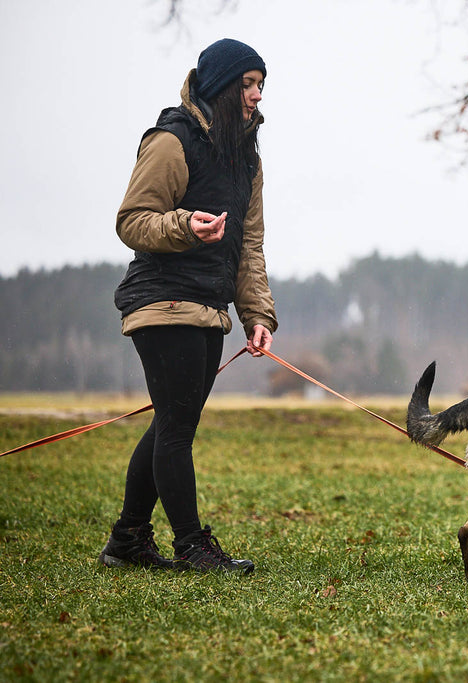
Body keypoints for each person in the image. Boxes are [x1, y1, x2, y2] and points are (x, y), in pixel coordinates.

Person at [99, 39, 278, 574]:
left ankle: (127, 542)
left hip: (208, 307)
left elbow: (249, 246)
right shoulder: (171, 141)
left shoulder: (247, 159)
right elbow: (132, 220)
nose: (256, 95)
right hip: (161, 300)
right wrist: (185, 224)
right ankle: (191, 546)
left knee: (170, 426)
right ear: (222, 86)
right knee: (176, 428)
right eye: (247, 84)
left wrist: (258, 316)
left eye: (260, 84)